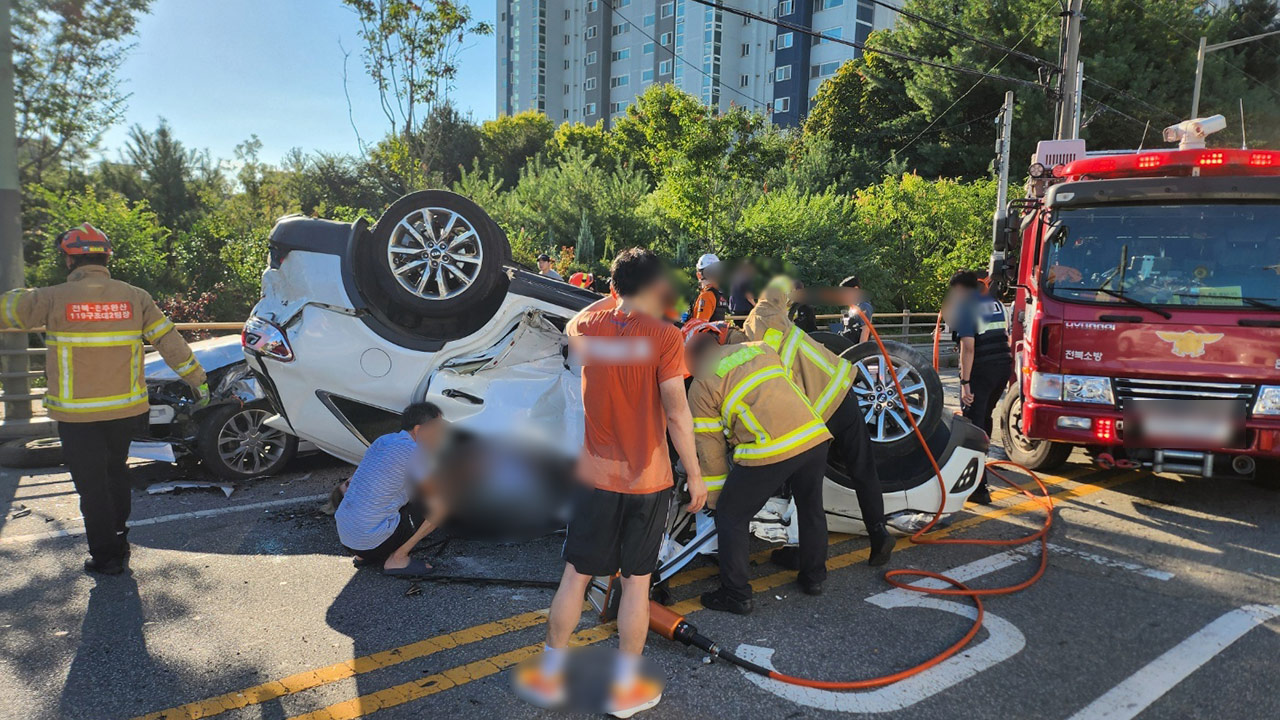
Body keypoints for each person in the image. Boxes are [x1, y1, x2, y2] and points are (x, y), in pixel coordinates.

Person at [516, 248, 705, 718]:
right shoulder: (665, 337)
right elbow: (678, 414)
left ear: (613, 287)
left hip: (595, 475)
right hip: (647, 479)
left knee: (576, 576)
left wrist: (613, 302)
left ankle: (549, 675)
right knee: (637, 584)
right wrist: (696, 475)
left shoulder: (587, 329)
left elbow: (579, 318)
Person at [0, 223, 207, 575]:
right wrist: (197, 379)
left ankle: (106, 556)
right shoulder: (135, 296)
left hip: (77, 416)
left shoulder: (51, 298)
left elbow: (7, 311)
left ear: (69, 259)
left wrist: (23, 291)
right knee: (116, 474)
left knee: (91, 485)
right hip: (125, 410)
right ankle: (119, 540)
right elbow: (169, 341)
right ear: (107, 256)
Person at [743, 278, 894, 566]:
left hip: (818, 413)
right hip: (842, 393)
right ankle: (879, 533)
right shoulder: (786, 323)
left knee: (807, 487)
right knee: (863, 469)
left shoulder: (759, 323)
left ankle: (806, 556)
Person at [687, 334, 832, 614]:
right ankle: (814, 577)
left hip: (770, 447)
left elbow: (710, 448)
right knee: (811, 505)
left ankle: (736, 594)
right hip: (814, 436)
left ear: (693, 357)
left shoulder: (701, 381)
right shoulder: (759, 348)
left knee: (732, 515)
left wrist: (716, 499)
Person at [334, 402, 449, 574]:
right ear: (419, 430)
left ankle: (363, 556)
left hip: (347, 538)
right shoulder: (415, 451)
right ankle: (398, 558)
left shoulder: (383, 441)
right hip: (372, 542)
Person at [948, 270, 1012, 505]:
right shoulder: (995, 303)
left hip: (982, 370)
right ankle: (981, 465)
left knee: (972, 425)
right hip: (1002, 368)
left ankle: (978, 488)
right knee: (984, 418)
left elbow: (968, 347)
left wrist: (965, 384)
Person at [690, 253, 727, 322]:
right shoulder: (720, 294)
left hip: (706, 332)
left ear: (699, 275)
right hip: (718, 332)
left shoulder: (707, 295)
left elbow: (700, 325)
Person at [840, 275, 874, 344]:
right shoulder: (853, 306)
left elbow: (865, 329)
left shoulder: (864, 306)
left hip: (857, 345)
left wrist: (860, 349)